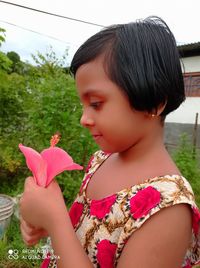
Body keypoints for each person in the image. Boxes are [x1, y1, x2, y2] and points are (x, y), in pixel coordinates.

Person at [20, 16, 200, 268]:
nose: (84, 118)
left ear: (155, 102)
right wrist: (48, 225)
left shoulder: (168, 208)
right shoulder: (101, 160)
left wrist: (55, 221)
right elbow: (81, 238)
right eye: (83, 105)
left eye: (96, 103)